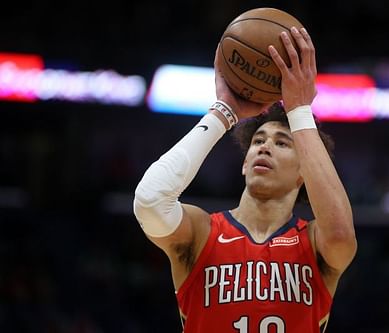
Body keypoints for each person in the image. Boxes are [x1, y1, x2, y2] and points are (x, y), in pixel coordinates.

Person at [133, 26, 357, 333]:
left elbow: (342, 235)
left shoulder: (316, 243)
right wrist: (223, 112)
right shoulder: (202, 233)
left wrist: (300, 111)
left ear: (304, 172)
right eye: (258, 141)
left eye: (282, 143)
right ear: (244, 163)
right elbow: (149, 202)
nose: (265, 146)